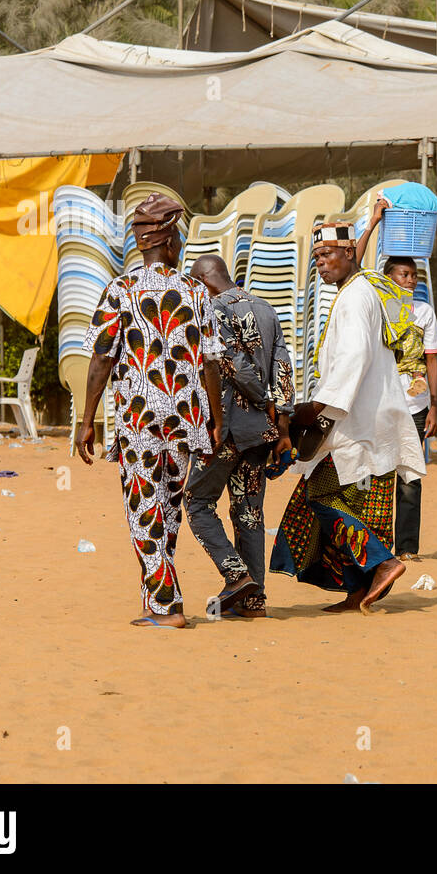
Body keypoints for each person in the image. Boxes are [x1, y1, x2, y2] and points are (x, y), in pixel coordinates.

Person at [76, 194, 255, 628]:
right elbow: (210, 361)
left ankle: (165, 606)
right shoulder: (195, 292)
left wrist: (86, 421)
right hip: (186, 420)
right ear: (171, 243)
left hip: (137, 421)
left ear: (142, 244)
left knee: (144, 508)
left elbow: (100, 358)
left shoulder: (121, 290)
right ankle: (158, 599)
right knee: (169, 510)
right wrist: (214, 420)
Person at [269, 227, 426, 614]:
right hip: (364, 421)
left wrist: (315, 407)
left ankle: (383, 562)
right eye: (316, 257)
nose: (320, 263)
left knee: (320, 497)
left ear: (350, 252)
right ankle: (358, 590)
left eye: (327, 254)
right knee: (354, 508)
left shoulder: (356, 296)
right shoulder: (356, 291)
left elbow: (354, 359)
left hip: (356, 423)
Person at [184, 254, 294, 619]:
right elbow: (283, 369)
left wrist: (262, 402)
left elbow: (230, 365)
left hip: (226, 427)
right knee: (249, 512)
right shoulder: (266, 308)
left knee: (197, 502)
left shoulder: (211, 309)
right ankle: (254, 602)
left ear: (201, 280)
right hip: (260, 433)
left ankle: (236, 574)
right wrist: (281, 423)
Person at [382, 256, 437, 561]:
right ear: (388, 278)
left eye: (414, 275)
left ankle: (406, 547)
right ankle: (377, 547)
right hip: (380, 403)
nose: (411, 280)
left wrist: (434, 404)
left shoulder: (424, 312)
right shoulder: (379, 311)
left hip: (416, 405)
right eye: (404, 274)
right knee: (376, 472)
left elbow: (432, 359)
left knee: (409, 476)